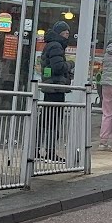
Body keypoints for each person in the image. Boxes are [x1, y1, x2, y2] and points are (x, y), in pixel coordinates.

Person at [38, 20, 73, 161]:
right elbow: (58, 67)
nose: (67, 35)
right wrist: (70, 64)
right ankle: (50, 151)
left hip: (51, 87)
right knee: (53, 121)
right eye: (65, 32)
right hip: (56, 87)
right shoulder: (56, 46)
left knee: (45, 120)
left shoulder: (51, 45)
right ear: (60, 33)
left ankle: (36, 149)